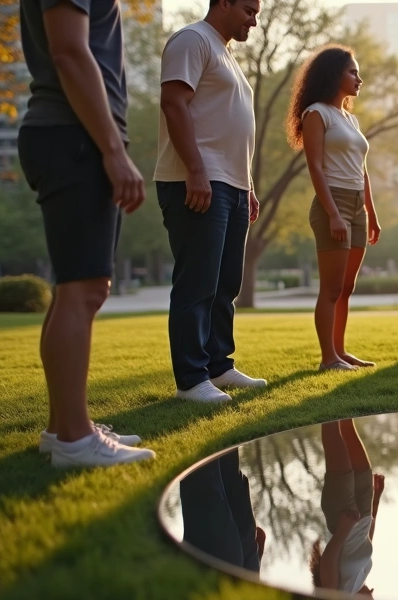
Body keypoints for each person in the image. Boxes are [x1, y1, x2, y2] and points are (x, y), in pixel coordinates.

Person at [18, 0, 155, 466]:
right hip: (75, 135)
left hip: (74, 135)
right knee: (85, 289)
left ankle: (63, 428)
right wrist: (113, 151)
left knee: (73, 290)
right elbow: (70, 52)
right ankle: (76, 440)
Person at [155, 0, 266, 403]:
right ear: (222, 3)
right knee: (197, 283)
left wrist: (247, 186)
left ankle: (219, 366)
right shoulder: (192, 40)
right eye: (248, 10)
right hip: (198, 180)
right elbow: (173, 103)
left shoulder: (226, 52)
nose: (254, 19)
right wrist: (196, 171)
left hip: (232, 184)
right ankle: (191, 379)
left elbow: (229, 123)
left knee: (224, 285)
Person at [287, 45, 381, 372]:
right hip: (334, 203)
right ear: (334, 74)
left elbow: (362, 168)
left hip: (357, 205)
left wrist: (372, 213)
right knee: (332, 288)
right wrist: (333, 213)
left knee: (347, 288)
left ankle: (340, 352)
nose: (359, 78)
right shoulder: (316, 113)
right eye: (353, 72)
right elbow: (315, 166)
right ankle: (328, 359)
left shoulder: (350, 118)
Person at [310, 419, 383, 599]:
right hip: (363, 513)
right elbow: (366, 539)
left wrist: (343, 528)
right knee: (348, 428)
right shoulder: (361, 577)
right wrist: (376, 503)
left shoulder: (339, 595)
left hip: (343, 516)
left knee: (334, 437)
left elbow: (328, 562)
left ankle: (327, 406)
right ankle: (343, 400)